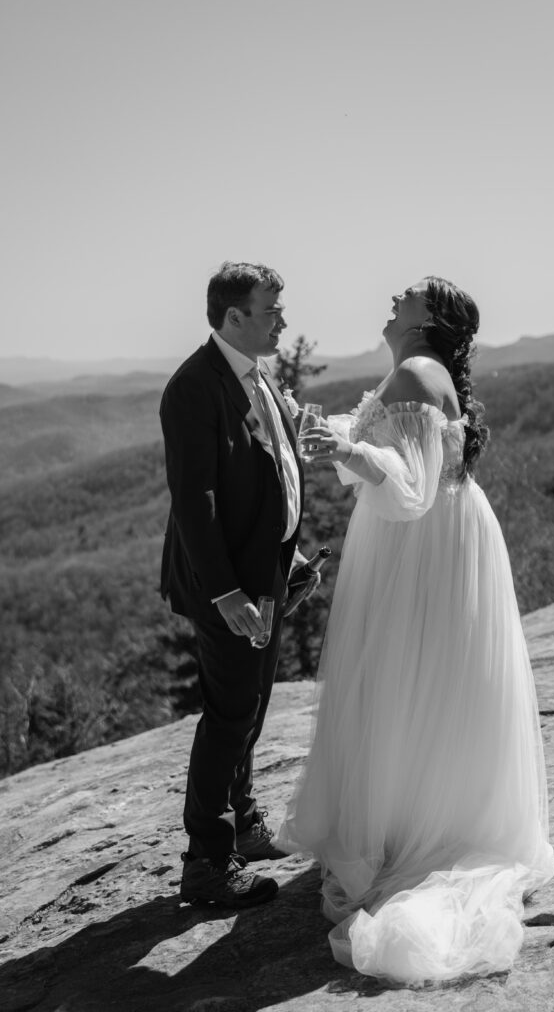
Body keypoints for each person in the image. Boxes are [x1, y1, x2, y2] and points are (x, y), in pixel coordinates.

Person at [280, 276, 554, 984]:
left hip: (418, 550)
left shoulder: (413, 369)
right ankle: (428, 817)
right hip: (444, 541)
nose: (390, 298)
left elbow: (406, 491)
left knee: (400, 684)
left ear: (429, 316)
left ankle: (402, 835)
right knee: (432, 686)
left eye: (404, 294)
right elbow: (406, 453)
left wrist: (342, 453)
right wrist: (341, 434)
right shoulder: (419, 372)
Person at [160, 261, 311, 909]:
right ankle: (207, 865)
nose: (282, 321)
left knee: (249, 709)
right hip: (228, 587)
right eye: (271, 311)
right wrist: (228, 594)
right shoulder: (195, 387)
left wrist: (290, 556)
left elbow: (271, 469)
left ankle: (244, 823)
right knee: (228, 716)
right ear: (233, 318)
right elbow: (196, 503)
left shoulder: (256, 375)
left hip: (265, 573)